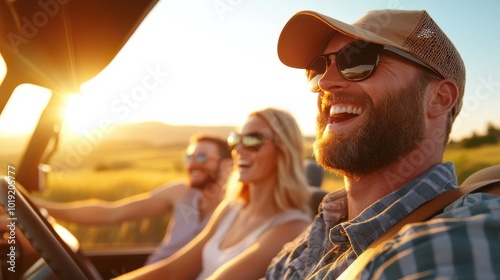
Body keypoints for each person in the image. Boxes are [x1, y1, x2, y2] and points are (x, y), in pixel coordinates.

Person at [266, 9, 500, 279]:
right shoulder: (316, 234)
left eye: (359, 61)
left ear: (439, 98)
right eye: (318, 69)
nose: (326, 83)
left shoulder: (461, 235)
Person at [116, 108, 313, 280]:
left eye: (253, 140)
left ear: (284, 150)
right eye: (235, 140)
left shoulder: (292, 228)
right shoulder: (230, 209)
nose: (239, 149)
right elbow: (173, 271)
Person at [35, 133, 233, 265]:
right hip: (153, 273)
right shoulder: (180, 192)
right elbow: (112, 213)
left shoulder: (239, 207)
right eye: (189, 158)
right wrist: (42, 208)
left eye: (202, 158)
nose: (192, 165)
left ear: (227, 164)